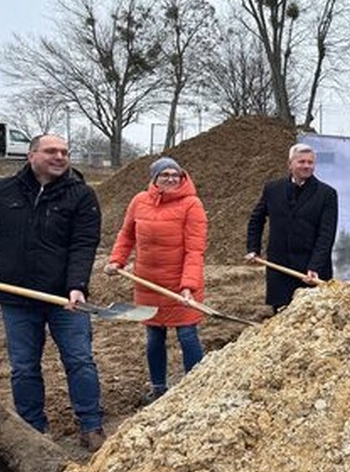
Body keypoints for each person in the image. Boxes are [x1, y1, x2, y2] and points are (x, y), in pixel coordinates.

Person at [0, 134, 105, 452]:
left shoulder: (81, 195)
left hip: (65, 300)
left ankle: (91, 425)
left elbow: (83, 244)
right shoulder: (5, 191)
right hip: (17, 299)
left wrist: (77, 286)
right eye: (51, 151)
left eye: (64, 152)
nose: (60, 156)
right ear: (31, 155)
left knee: (80, 360)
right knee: (23, 367)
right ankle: (33, 432)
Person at [105, 157, 207, 405]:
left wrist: (188, 286)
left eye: (175, 175)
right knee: (154, 336)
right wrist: (117, 260)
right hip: (147, 283)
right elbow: (126, 235)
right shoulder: (139, 201)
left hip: (180, 284)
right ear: (154, 178)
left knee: (187, 334)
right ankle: (158, 388)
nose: (171, 178)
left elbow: (195, 250)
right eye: (165, 174)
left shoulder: (191, 204)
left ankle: (197, 389)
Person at [245, 143, 338, 314]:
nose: (306, 166)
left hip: (311, 273)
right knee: (281, 319)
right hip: (280, 270)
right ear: (290, 164)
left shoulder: (327, 194)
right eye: (301, 162)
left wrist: (315, 266)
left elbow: (326, 235)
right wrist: (253, 248)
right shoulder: (272, 189)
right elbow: (256, 219)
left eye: (310, 162)